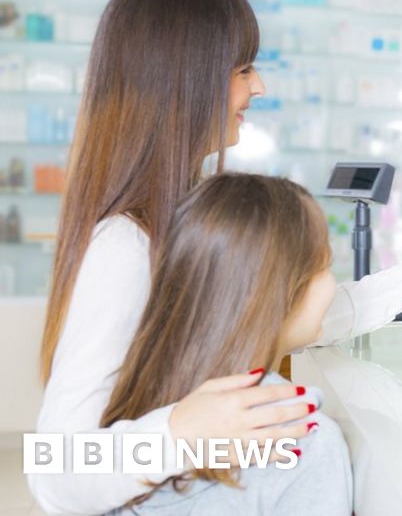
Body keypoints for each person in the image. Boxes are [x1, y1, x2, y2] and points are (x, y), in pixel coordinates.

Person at [32, 0, 402, 515]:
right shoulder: (125, 246)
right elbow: (56, 471)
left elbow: (282, 313)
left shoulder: (186, 211)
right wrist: (182, 430)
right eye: (243, 68)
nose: (259, 86)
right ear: (184, 80)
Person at [102, 173, 352, 514]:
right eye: (325, 265)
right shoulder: (305, 441)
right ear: (275, 293)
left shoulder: (132, 402)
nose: (333, 284)